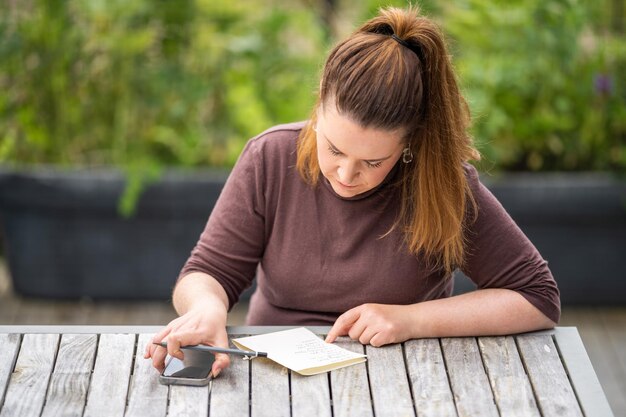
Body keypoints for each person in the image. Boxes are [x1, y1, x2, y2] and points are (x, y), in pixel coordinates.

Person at [145, 5, 560, 377]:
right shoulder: (270, 156)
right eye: (334, 148)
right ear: (318, 107)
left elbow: (538, 298)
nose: (345, 174)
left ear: (410, 142)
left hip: (409, 377)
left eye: (373, 162)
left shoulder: (442, 185)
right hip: (272, 373)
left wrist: (411, 320)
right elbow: (207, 273)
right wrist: (207, 308)